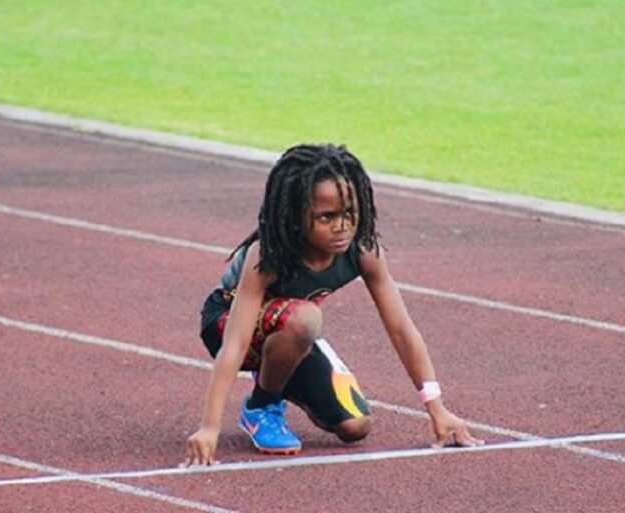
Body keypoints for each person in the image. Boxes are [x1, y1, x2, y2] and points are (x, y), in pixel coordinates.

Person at [185, 144, 481, 465]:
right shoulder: (268, 254)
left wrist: (436, 408)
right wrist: (210, 427)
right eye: (326, 217)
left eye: (349, 213)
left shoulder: (364, 250)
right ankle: (263, 406)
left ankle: (280, 368)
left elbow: (401, 329)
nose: (342, 226)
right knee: (306, 318)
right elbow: (235, 343)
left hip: (292, 330)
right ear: (296, 217)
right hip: (227, 323)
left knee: (356, 426)